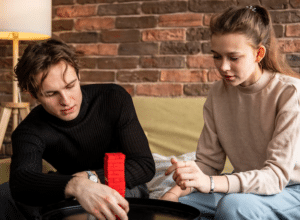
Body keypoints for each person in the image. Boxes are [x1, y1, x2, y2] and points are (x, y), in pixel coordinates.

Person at [160, 5, 300, 220]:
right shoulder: (217, 93)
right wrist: (172, 193)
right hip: (249, 189)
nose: (223, 67)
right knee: (179, 207)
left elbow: (275, 177)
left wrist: (212, 184)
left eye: (233, 58)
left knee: (234, 206)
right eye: (217, 56)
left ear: (258, 53)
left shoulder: (289, 91)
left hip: (291, 190)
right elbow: (208, 163)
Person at [0, 39, 155, 220]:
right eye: (51, 93)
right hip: (69, 187)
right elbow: (21, 182)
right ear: (34, 95)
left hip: (119, 183)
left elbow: (144, 165)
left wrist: (89, 178)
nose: (66, 100)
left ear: (78, 75)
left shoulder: (113, 98)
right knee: (4, 195)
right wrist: (76, 185)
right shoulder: (29, 130)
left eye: (70, 86)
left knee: (108, 203)